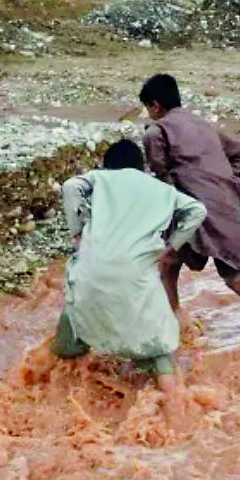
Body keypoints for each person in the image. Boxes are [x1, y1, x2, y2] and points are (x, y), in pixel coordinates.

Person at [56, 139, 207, 414]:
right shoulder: (162, 190)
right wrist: (171, 245)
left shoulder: (101, 179)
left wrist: (77, 232)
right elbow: (198, 210)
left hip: (91, 270)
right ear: (142, 167)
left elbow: (70, 186)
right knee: (158, 336)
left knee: (76, 303)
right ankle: (175, 405)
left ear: (108, 165)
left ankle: (61, 376)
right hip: (137, 272)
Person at [139, 74, 240, 332]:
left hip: (193, 210)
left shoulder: (156, 132)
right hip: (228, 208)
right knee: (236, 278)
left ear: (155, 105)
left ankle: (175, 321)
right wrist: (227, 180)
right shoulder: (203, 124)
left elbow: (163, 182)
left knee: (168, 262)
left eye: (148, 108)